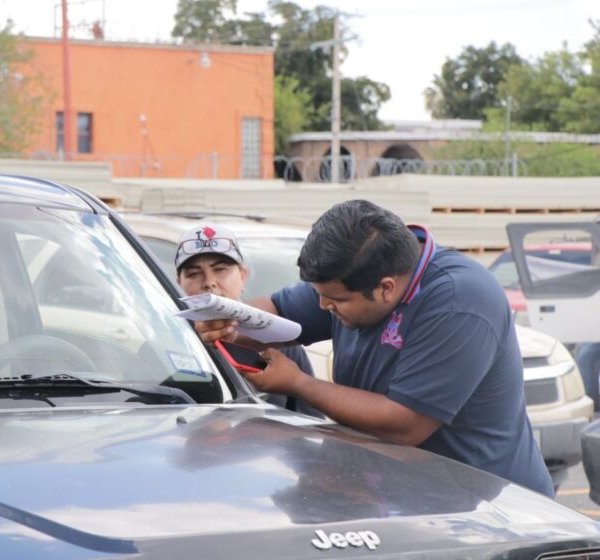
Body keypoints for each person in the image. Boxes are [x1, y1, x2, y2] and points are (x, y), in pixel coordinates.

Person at [195, 200, 554, 497]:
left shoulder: (458, 302)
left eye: (334, 300)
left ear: (385, 288)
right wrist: (227, 322)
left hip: (491, 511)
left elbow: (404, 425)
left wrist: (299, 383)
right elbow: (279, 314)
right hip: (407, 494)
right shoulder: (353, 276)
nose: (322, 307)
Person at [175, 223, 321, 417]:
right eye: (193, 274)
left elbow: (310, 418)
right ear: (179, 283)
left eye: (220, 269)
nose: (209, 282)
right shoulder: (169, 343)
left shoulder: (279, 340)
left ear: (243, 276)